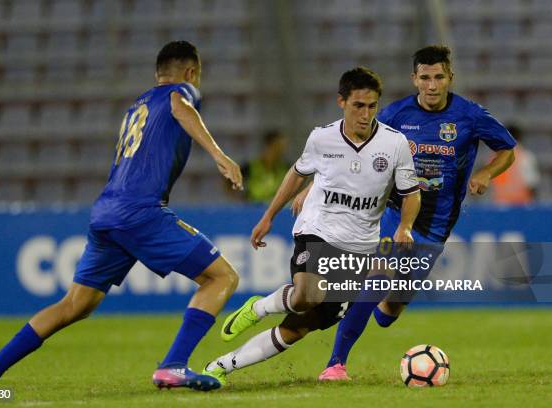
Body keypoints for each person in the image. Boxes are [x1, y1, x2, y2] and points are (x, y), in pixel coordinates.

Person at [0, 41, 243, 392]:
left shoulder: (136, 107)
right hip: (140, 211)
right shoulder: (180, 91)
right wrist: (220, 155)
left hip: (106, 213)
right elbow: (182, 106)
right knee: (221, 278)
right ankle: (174, 366)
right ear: (190, 73)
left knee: (74, 304)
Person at [291, 45, 516, 381]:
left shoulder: (470, 116)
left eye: (439, 77)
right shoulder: (396, 114)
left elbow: (507, 150)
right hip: (394, 215)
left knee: (391, 306)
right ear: (414, 79)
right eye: (424, 77)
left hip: (435, 228)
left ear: (449, 78)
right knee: (376, 278)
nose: (432, 84)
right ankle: (336, 364)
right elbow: (354, 147)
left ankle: (381, 312)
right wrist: (313, 185)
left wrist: (485, 174)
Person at [201, 67, 421, 385]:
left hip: (360, 247)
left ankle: (220, 366)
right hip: (318, 229)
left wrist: (405, 226)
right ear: (341, 102)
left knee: (297, 327)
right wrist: (268, 216)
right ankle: (261, 308)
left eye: (372, 106)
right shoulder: (322, 137)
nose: (366, 113)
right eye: (358, 105)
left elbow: (411, 193)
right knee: (307, 294)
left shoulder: (395, 143)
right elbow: (297, 172)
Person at [492, 124, 540, 205]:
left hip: (500, 206)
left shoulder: (494, 158)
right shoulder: (525, 156)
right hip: (521, 208)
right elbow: (532, 184)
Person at [241, 130, 290, 203]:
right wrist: (238, 201)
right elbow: (229, 182)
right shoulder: (251, 167)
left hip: (276, 209)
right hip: (253, 209)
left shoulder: (286, 168)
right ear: (270, 145)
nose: (282, 151)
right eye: (279, 146)